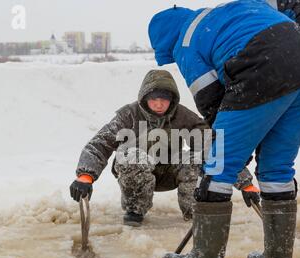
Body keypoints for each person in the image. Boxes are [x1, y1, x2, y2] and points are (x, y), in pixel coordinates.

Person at [149, 0, 300, 258]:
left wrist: (233, 145)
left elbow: (211, 100)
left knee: (217, 166)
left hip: (262, 70)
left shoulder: (185, 40)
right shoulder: (226, 14)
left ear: (166, 39)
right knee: (277, 168)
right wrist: (246, 135)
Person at [70, 70, 209, 227]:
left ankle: (195, 211)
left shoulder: (183, 115)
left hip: (170, 171)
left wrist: (243, 183)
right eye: (154, 99)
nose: (159, 104)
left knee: (194, 160)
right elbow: (100, 143)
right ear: (145, 98)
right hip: (135, 171)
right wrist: (85, 176)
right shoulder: (129, 114)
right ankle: (135, 209)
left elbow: (213, 146)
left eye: (164, 99)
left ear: (172, 99)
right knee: (134, 157)